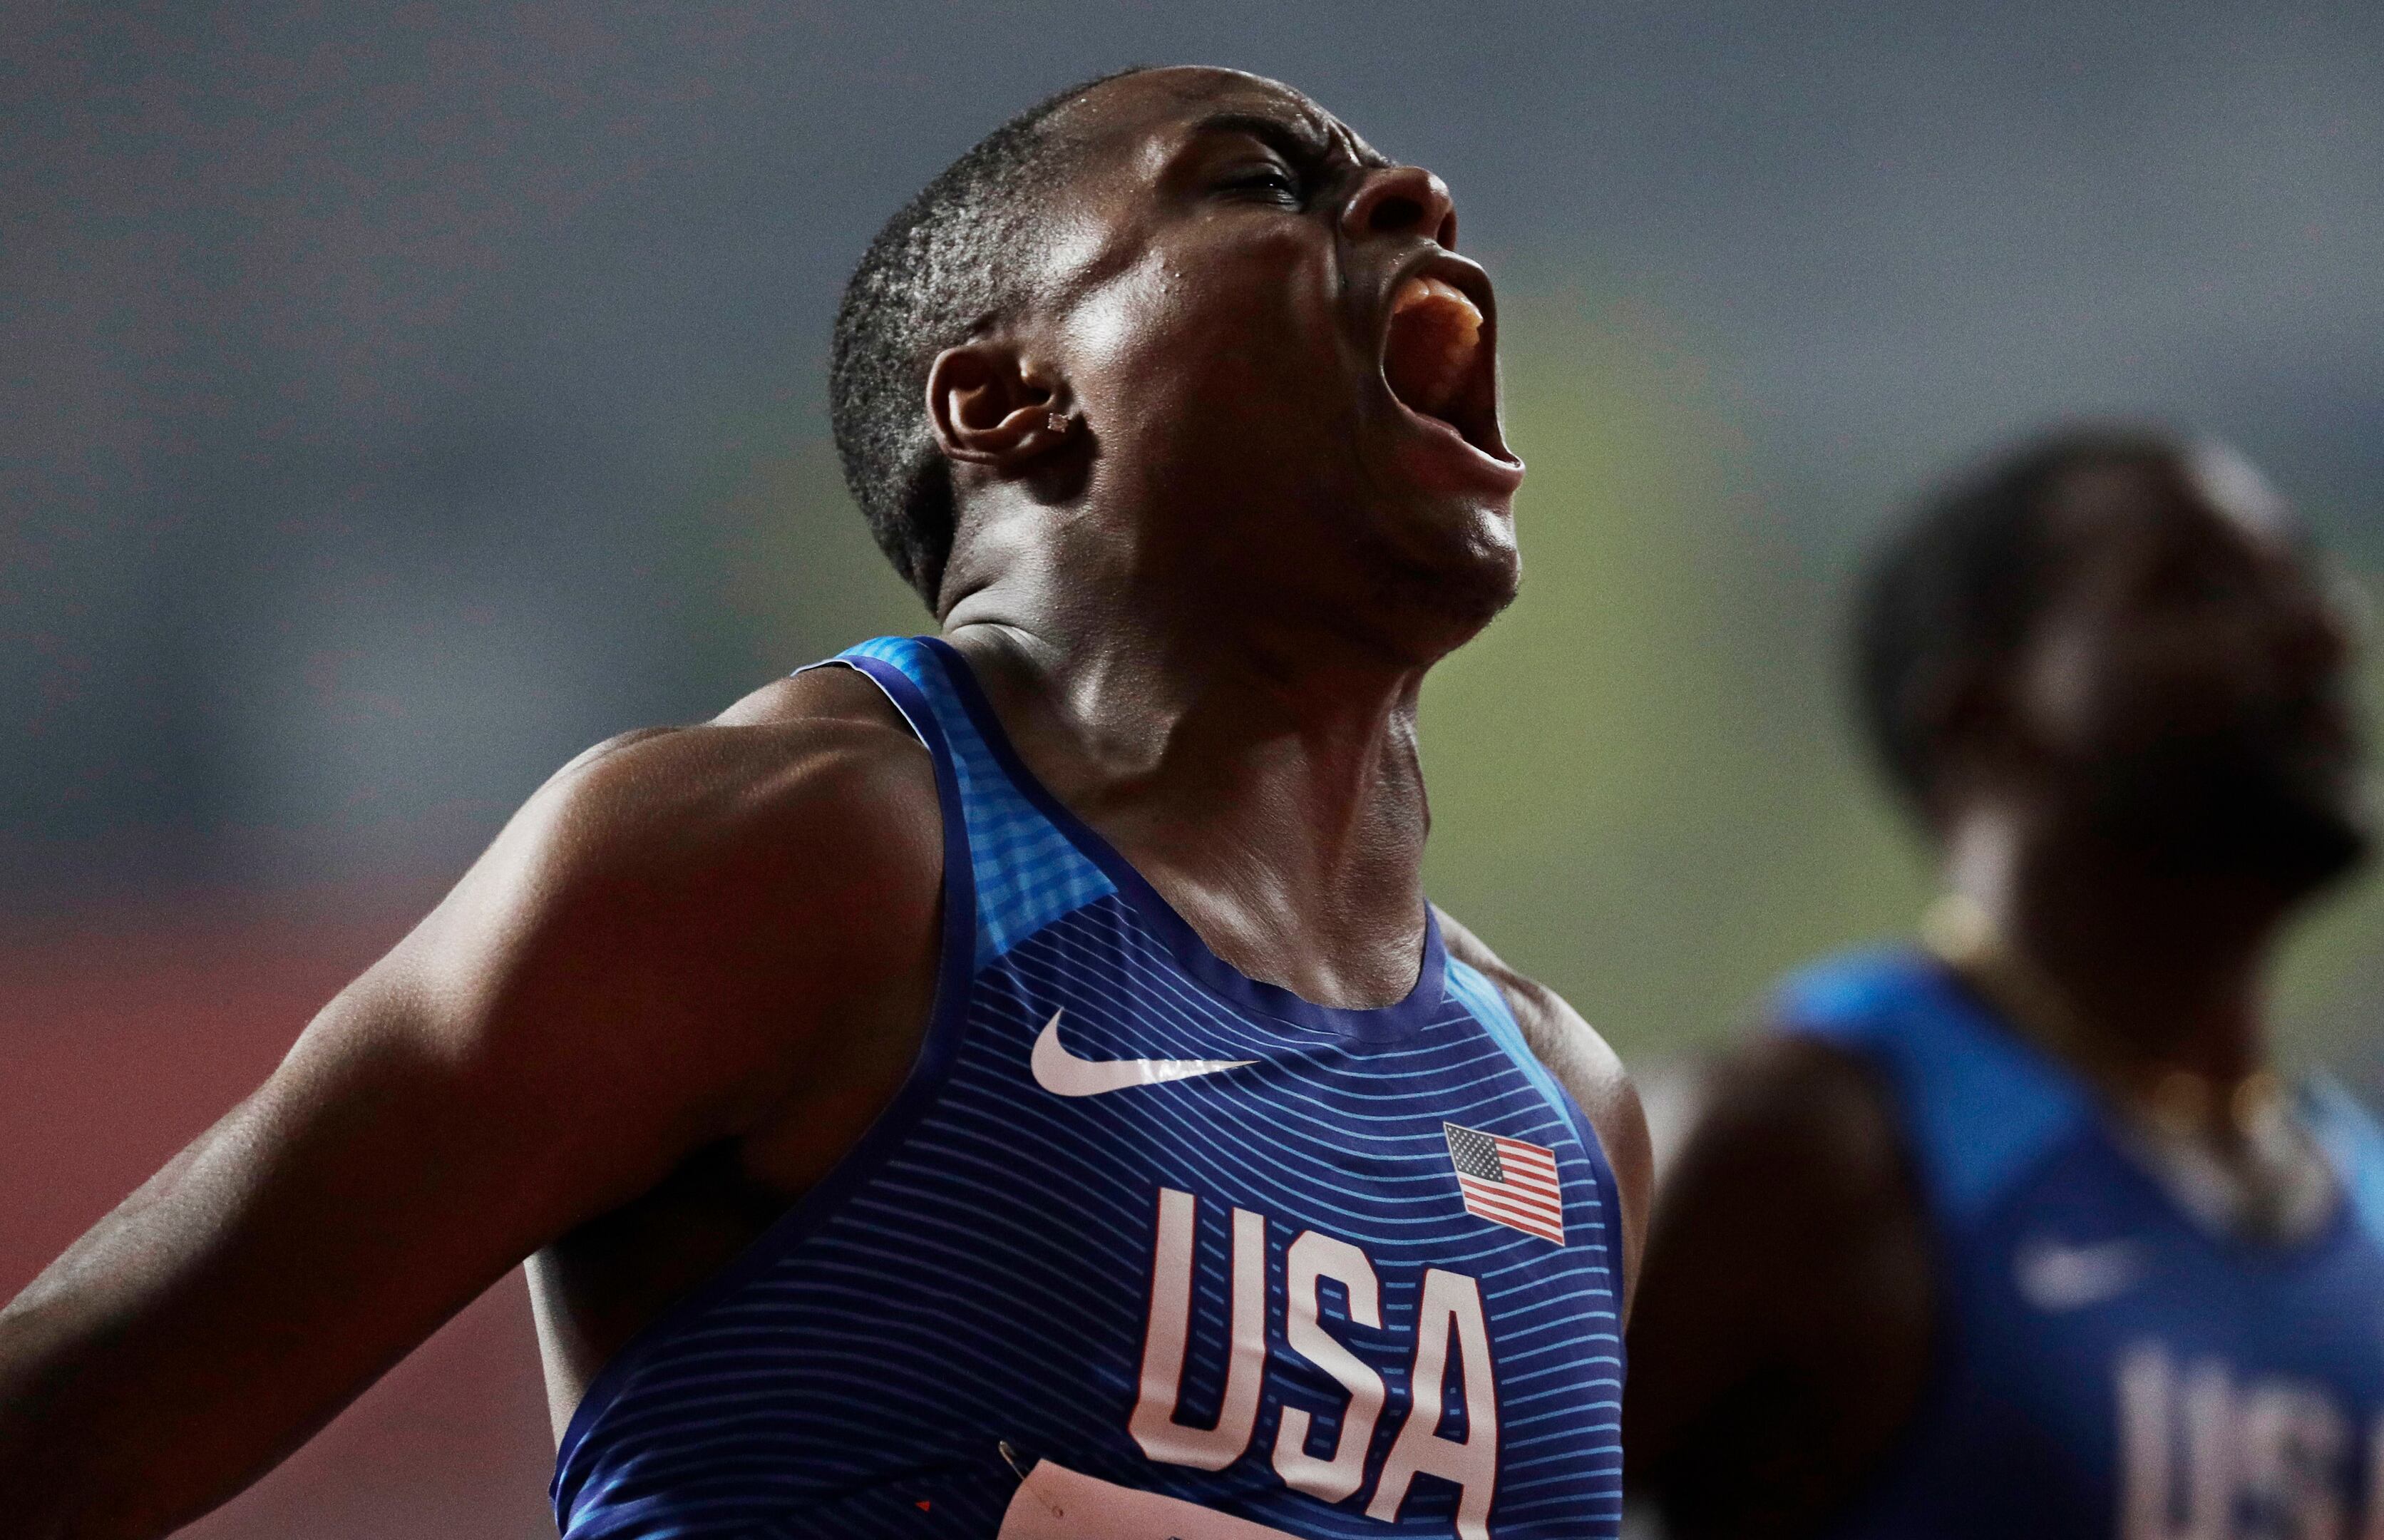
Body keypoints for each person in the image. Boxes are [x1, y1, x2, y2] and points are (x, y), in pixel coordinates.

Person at [0, 66, 1650, 1540]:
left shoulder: (1564, 1106)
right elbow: (70, 1433)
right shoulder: (804, 852)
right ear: (1006, 399)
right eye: (1258, 181)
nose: (1413, 196)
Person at [1622, 428, 2384, 1540]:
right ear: (1982, 719)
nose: (2325, 631)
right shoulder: (1790, 1154)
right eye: (2203, 591)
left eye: (2310, 582)